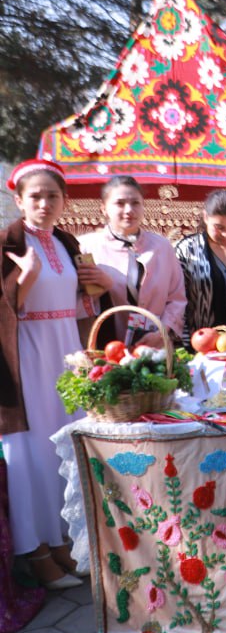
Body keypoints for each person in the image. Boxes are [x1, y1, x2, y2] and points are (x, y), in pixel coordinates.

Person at [1, 160, 105, 592]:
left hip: (66, 355)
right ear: (18, 200)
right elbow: (7, 308)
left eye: (53, 196)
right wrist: (25, 278)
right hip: (26, 359)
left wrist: (98, 287)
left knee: (63, 448)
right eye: (36, 196)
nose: (44, 203)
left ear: (65, 200)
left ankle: (63, 541)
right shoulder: (7, 243)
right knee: (31, 453)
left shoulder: (66, 242)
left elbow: (83, 302)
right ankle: (37, 551)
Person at [79, 175, 186, 347]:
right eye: (120, 203)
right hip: (105, 348)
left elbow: (177, 298)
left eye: (135, 203)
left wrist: (162, 331)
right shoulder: (86, 247)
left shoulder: (162, 247)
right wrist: (105, 286)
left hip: (155, 347)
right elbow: (77, 303)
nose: (129, 210)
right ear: (104, 209)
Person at [174, 189, 226, 347]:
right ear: (206, 217)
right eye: (219, 227)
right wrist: (184, 344)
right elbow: (176, 299)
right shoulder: (187, 250)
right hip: (200, 344)